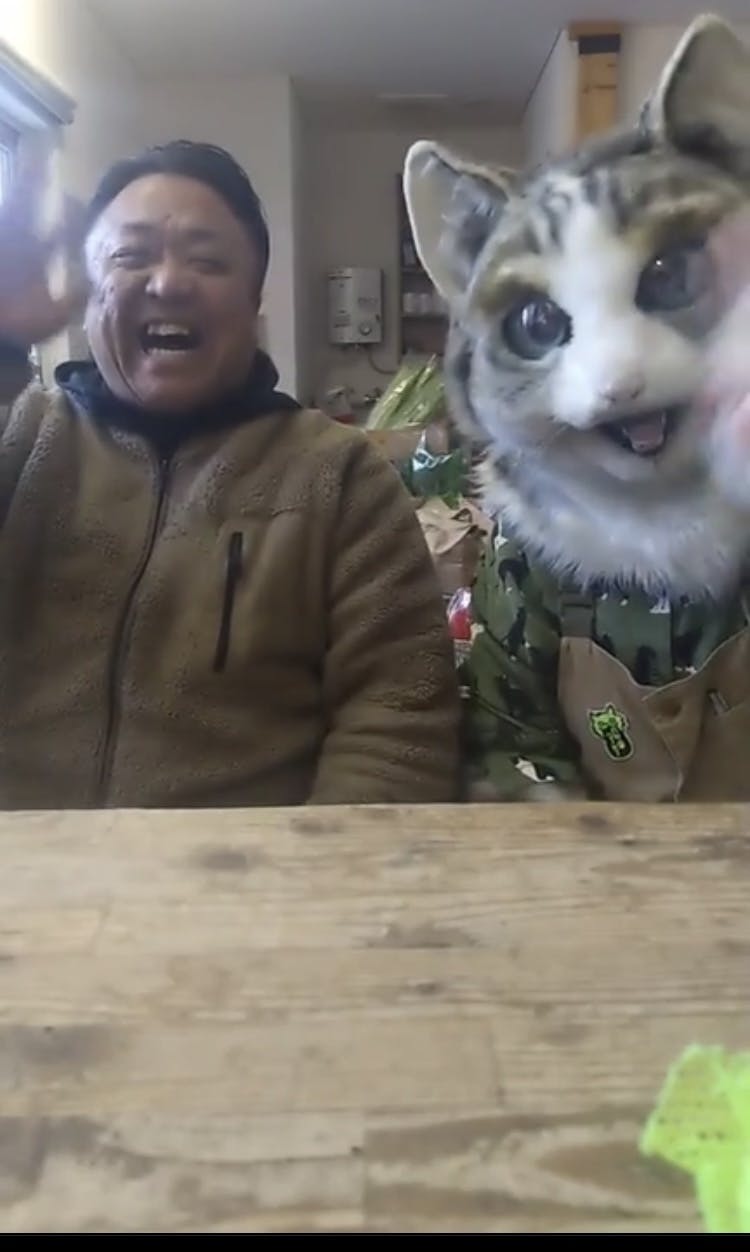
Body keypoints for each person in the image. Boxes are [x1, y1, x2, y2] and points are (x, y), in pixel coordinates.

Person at [0, 139, 461, 809]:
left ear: (253, 298)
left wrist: (323, 866)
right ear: (87, 289)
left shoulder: (338, 477)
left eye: (208, 260)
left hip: (254, 869)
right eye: (130, 255)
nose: (168, 282)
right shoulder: (20, 439)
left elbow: (399, 726)